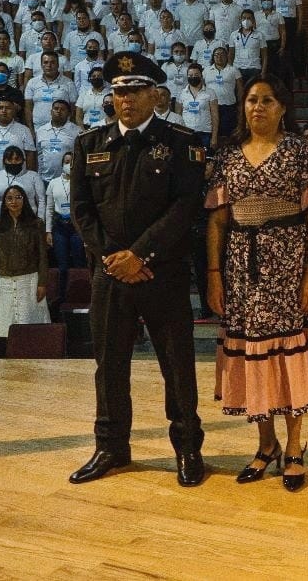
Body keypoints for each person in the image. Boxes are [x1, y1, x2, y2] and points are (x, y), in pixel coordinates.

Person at [70, 51, 207, 487]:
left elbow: (186, 207)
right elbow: (81, 211)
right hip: (110, 274)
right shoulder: (90, 144)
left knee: (177, 364)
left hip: (163, 273)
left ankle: (187, 447)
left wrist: (140, 256)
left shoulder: (182, 142)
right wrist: (116, 259)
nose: (125, 100)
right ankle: (111, 447)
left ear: (155, 95)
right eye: (118, 92)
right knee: (109, 365)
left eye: (134, 91)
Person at [204, 74, 308, 492]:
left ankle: (294, 446)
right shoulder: (228, 156)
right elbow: (217, 220)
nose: (257, 107)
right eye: (251, 100)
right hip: (241, 268)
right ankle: (267, 444)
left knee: (290, 354)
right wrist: (213, 275)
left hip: (289, 264)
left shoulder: (300, 150)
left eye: (267, 100)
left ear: (282, 108)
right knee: (253, 354)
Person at [0, 185, 50, 346]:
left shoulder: (36, 224)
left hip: (29, 280)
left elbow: (43, 256)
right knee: (7, 324)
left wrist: (42, 283)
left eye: (18, 197)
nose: (14, 201)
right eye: (9, 198)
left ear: (24, 200)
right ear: (4, 202)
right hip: (3, 281)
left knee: (29, 323)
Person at [45, 151, 86, 302]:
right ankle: (62, 298)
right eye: (67, 162)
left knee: (79, 263)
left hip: (76, 227)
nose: (69, 164)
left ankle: (80, 297)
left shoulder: (81, 182)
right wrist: (48, 231)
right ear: (62, 164)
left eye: (72, 162)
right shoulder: (53, 183)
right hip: (60, 227)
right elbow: (49, 209)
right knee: (62, 266)